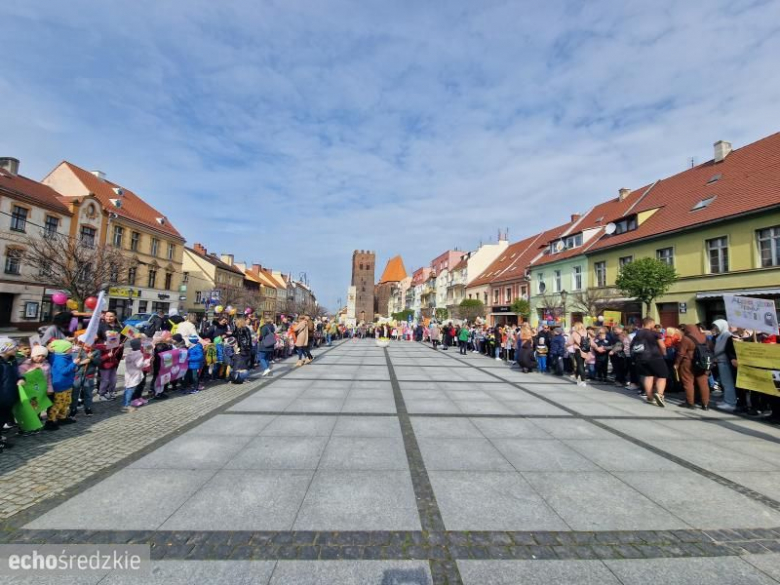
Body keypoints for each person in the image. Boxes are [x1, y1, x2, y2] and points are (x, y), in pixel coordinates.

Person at [631, 317, 669, 407]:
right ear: (651, 323)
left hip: (641, 358)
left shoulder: (637, 334)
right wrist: (664, 354)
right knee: (663, 375)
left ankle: (649, 396)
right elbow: (662, 346)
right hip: (654, 357)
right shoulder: (655, 334)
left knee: (648, 376)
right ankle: (659, 395)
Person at [675, 323, 711, 410]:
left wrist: (676, 363)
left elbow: (681, 353)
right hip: (703, 362)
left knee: (688, 382)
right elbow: (710, 348)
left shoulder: (686, 338)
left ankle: (690, 403)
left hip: (688, 362)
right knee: (703, 383)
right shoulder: (704, 337)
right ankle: (705, 404)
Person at [47, 339, 78, 429]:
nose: (72, 349)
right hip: (60, 385)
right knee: (58, 403)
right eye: (70, 348)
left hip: (67, 384)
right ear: (64, 350)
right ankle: (50, 420)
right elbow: (63, 371)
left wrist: (74, 367)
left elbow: (69, 368)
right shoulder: (59, 359)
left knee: (66, 402)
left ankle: (62, 417)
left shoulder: (67, 356)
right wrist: (73, 364)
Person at [0, 338, 22, 448]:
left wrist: (21, 378)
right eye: (13, 347)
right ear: (4, 349)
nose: (16, 349)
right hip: (2, 397)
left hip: (9, 396)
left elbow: (17, 373)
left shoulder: (13, 360)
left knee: (3, 417)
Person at [712, 319, 738, 412]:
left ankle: (730, 403)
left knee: (728, 383)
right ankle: (726, 400)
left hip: (724, 361)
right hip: (721, 361)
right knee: (725, 383)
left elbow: (721, 348)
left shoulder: (726, 335)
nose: (715, 328)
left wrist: (715, 355)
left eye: (717, 326)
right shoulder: (721, 335)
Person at [69, 342, 100, 417]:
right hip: (77, 375)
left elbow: (98, 363)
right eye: (86, 346)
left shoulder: (96, 351)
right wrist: (81, 362)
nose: (88, 347)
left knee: (88, 393)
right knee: (75, 393)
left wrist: (92, 358)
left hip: (89, 375)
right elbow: (73, 364)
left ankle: (87, 408)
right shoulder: (77, 351)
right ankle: (73, 409)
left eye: (90, 345)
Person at [123, 339, 149, 412]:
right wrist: (147, 362)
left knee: (127, 389)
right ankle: (126, 406)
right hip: (134, 374)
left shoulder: (129, 353)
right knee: (130, 390)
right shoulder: (138, 354)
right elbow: (139, 365)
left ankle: (125, 404)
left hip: (128, 373)